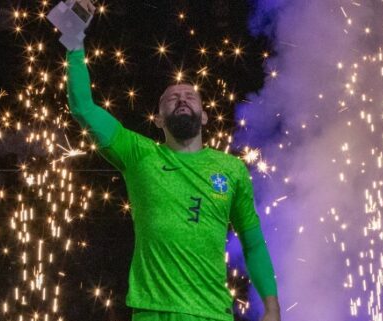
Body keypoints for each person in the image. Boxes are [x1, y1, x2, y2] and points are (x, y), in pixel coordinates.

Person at [64, 2, 280, 320]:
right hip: (153, 312)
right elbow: (83, 106)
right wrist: (73, 40)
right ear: (159, 119)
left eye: (190, 96)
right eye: (171, 98)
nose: (181, 99)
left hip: (212, 314)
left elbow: (253, 244)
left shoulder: (231, 169)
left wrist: (272, 306)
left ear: (205, 116)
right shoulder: (139, 154)